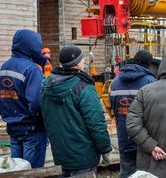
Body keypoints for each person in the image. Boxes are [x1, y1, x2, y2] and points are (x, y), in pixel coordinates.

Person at [40, 45, 112, 177]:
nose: (84, 61)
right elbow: (96, 122)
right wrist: (105, 149)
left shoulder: (47, 86)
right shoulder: (83, 87)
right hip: (83, 156)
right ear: (77, 63)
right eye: (82, 59)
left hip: (60, 154)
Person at [0, 29, 48, 168]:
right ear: (31, 46)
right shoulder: (31, 69)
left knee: (17, 171)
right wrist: (40, 121)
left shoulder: (5, 66)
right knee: (32, 171)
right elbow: (37, 102)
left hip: (13, 128)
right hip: (32, 130)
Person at [109, 50, 156, 178]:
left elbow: (113, 107)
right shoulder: (150, 81)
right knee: (145, 173)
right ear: (149, 64)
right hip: (144, 137)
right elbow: (154, 112)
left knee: (127, 172)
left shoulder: (116, 81)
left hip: (124, 135)